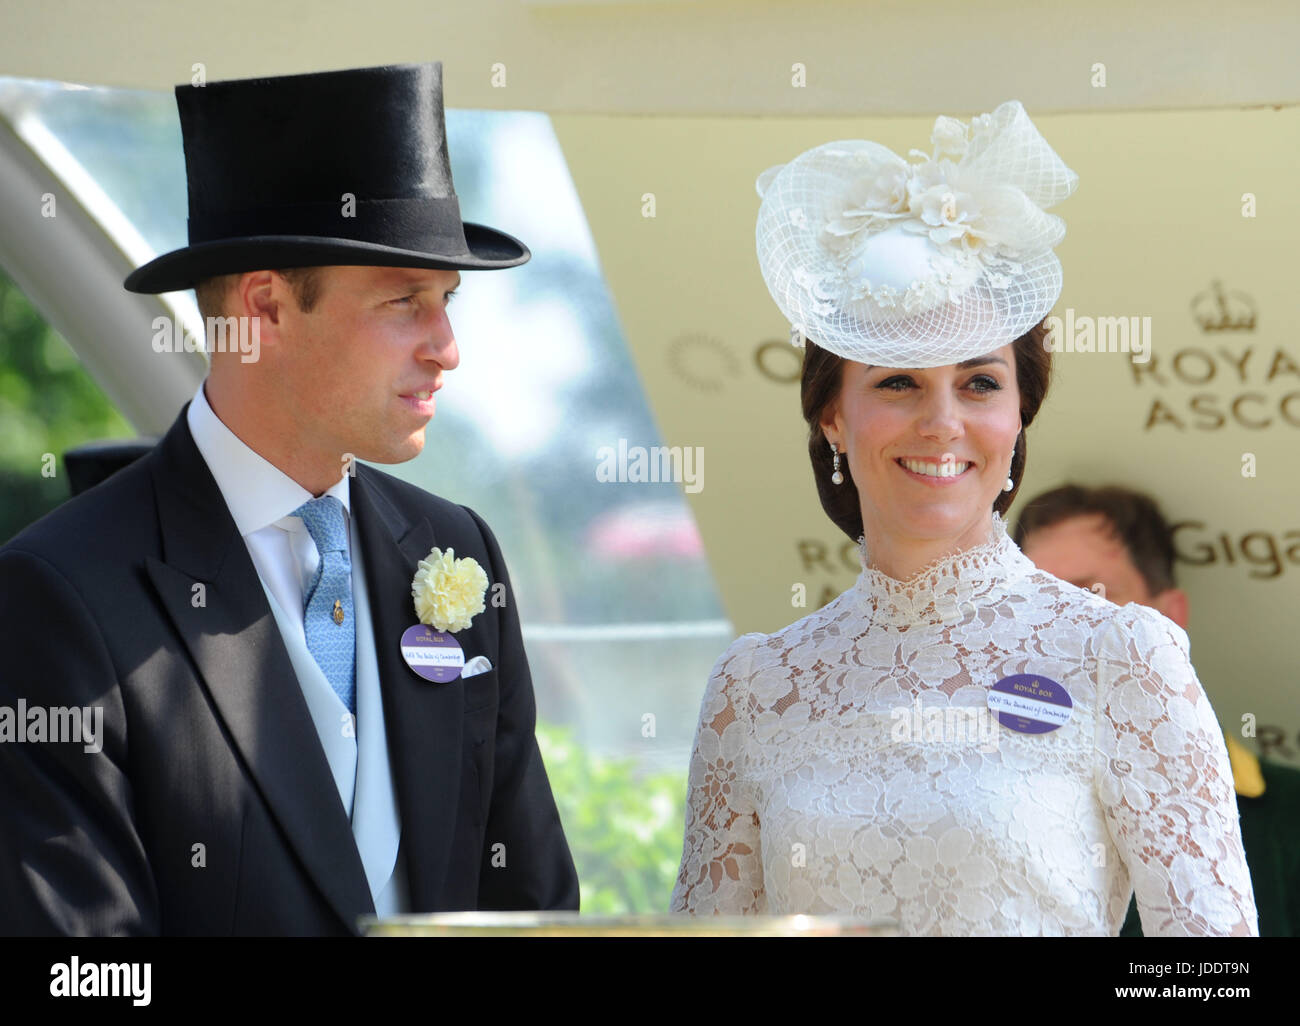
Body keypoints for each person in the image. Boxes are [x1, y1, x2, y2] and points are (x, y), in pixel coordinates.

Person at [0, 62, 578, 935]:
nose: (448, 347)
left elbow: (533, 910)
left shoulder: (454, 550)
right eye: (405, 301)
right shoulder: (58, 594)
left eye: (448, 302)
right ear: (266, 308)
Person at [669, 101, 1257, 935]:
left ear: (1019, 416)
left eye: (979, 383)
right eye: (899, 380)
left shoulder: (1121, 656)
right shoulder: (753, 689)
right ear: (833, 416)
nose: (942, 422)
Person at [1017, 483, 1300, 936]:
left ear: (1168, 617)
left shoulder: (1291, 815)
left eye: (1090, 597)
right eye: (1032, 604)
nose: (1054, 629)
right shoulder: (979, 807)